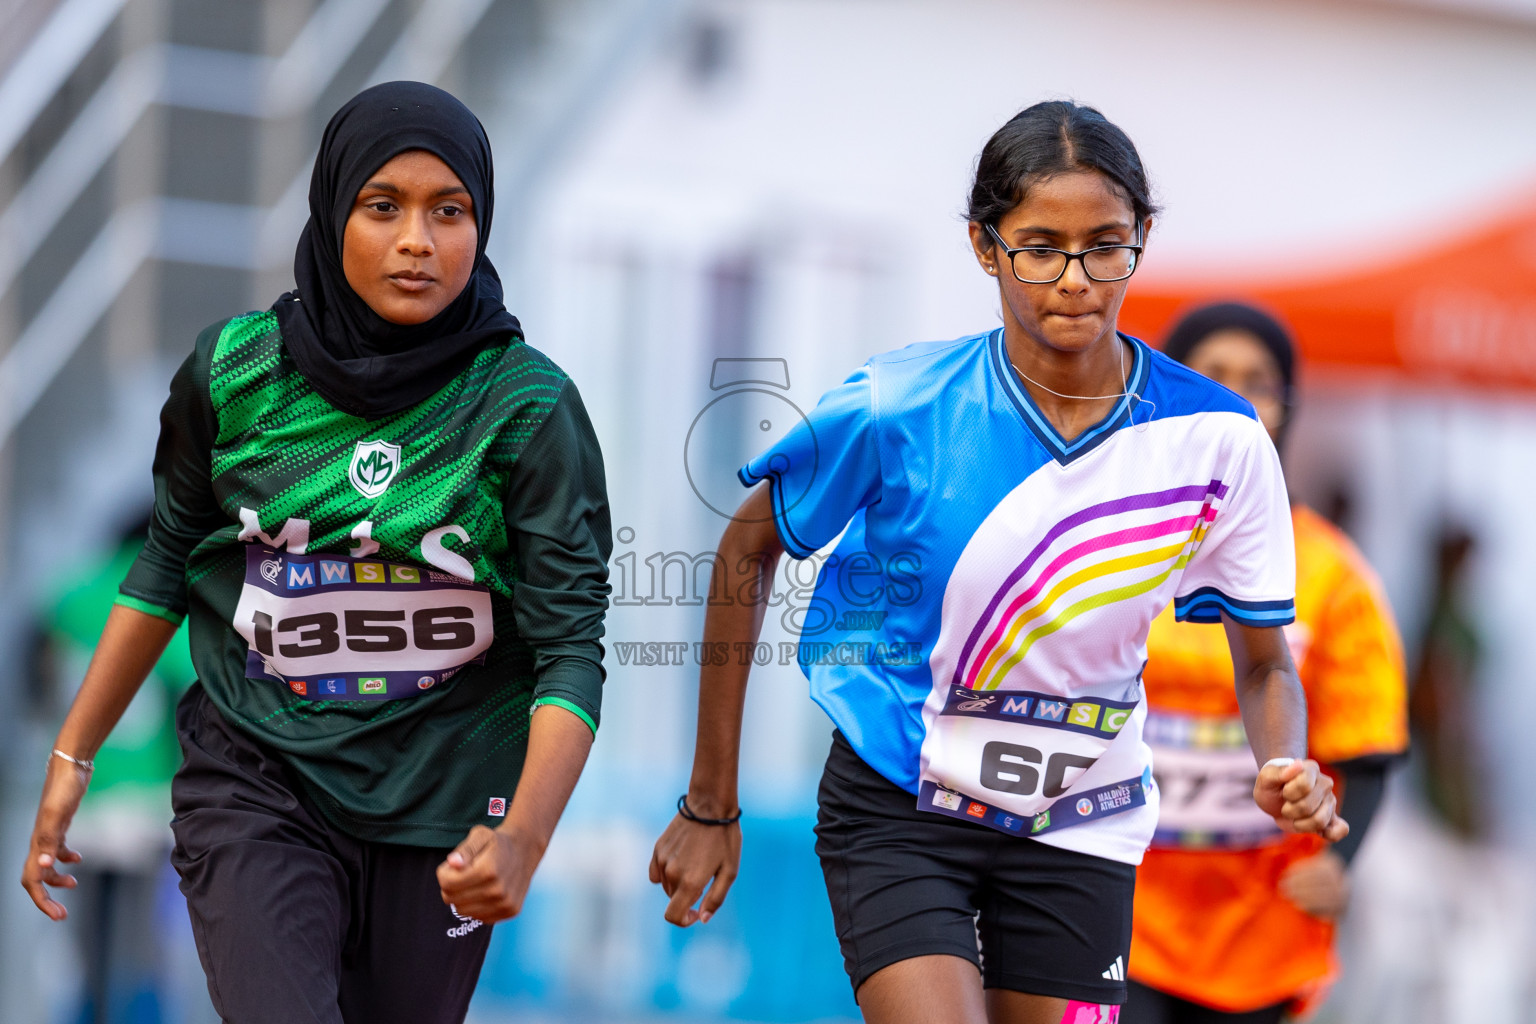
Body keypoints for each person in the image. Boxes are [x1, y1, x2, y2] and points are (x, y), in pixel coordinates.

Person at [649, 101, 1346, 1024]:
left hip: (1082, 822)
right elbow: (747, 544)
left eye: (1105, 246)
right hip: (900, 804)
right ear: (986, 247)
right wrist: (710, 801)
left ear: (1141, 238)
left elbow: (1264, 663)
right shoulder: (898, 404)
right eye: (1038, 247)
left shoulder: (1217, 440)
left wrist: (1284, 759)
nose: (1075, 280)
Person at [20, 81, 612, 1024]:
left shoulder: (527, 407)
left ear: (481, 225)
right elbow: (166, 565)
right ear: (335, 212)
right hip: (258, 780)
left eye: (448, 212)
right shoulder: (237, 375)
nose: (418, 239)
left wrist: (526, 836)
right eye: (384, 207)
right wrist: (73, 756)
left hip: (444, 806)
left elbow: (570, 648)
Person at [1123, 304, 1408, 1024]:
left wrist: (1337, 866)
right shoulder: (1114, 547)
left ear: (1287, 407)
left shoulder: (1333, 577)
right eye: (1212, 376)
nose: (1237, 396)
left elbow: (1367, 748)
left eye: (1259, 382)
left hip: (1260, 934)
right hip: (1123, 915)